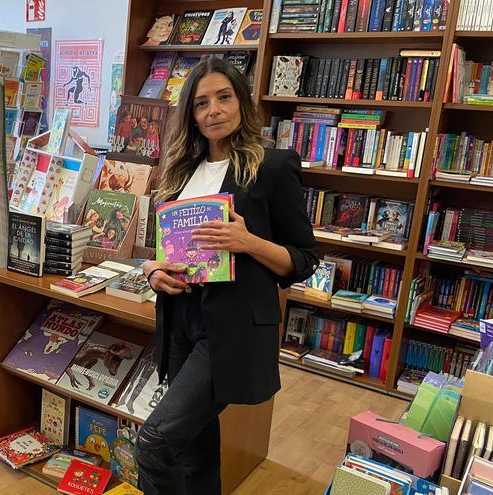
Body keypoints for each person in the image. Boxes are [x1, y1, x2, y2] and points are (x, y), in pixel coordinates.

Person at [137, 57, 318, 495]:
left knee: (154, 444)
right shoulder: (180, 172)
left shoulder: (273, 167)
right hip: (181, 316)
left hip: (231, 327)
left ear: (241, 103)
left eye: (223, 97)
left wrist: (248, 241)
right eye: (201, 103)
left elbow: (305, 258)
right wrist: (152, 271)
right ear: (191, 115)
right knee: (193, 448)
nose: (213, 110)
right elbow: (161, 251)